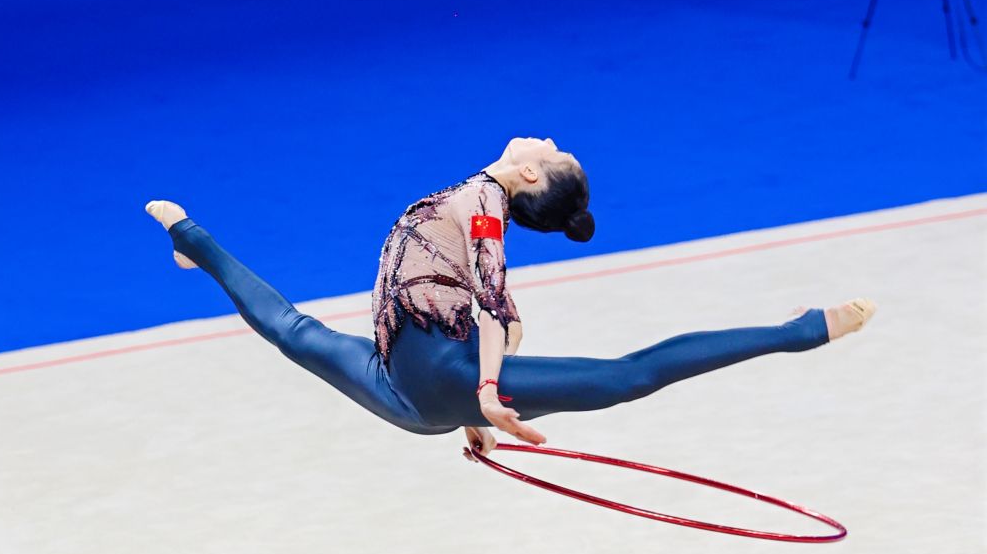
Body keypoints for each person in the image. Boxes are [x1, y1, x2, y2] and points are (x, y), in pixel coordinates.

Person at [146, 136, 875, 455]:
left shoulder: (486, 210)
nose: (546, 142)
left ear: (531, 175)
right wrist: (474, 407)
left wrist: (485, 393)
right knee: (292, 331)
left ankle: (801, 331)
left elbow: (495, 306)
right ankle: (192, 242)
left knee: (628, 376)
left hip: (427, 386)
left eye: (553, 155)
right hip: (417, 388)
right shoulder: (479, 198)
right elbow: (494, 316)